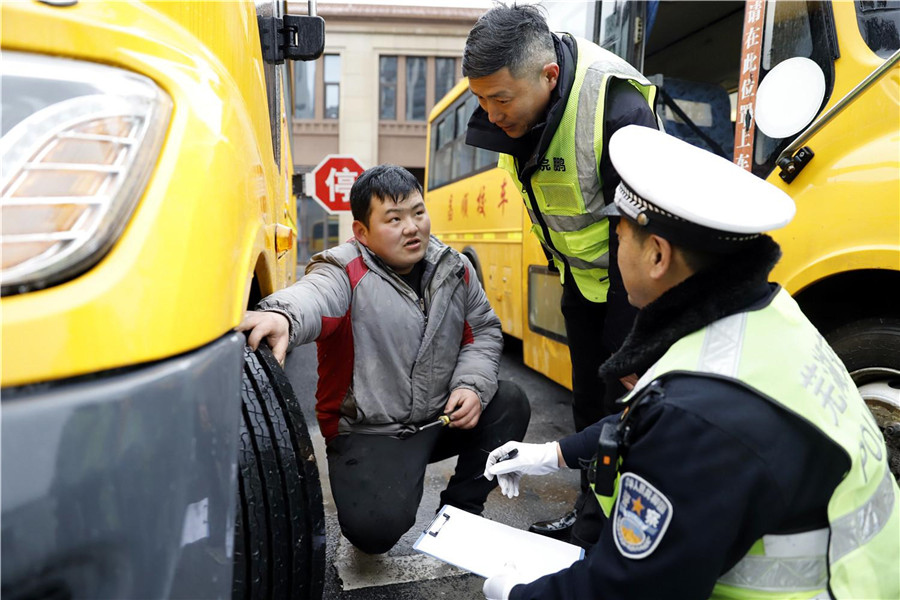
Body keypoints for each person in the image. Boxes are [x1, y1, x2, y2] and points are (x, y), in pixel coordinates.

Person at [480, 125, 900, 600]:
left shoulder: (696, 412)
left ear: (657, 255)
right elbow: (657, 425)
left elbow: (627, 592)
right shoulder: (767, 316)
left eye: (619, 236)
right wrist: (553, 454)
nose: (616, 251)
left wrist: (515, 593)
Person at [239, 164, 530, 555]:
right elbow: (314, 296)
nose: (412, 227)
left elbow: (484, 332)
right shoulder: (343, 269)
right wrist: (282, 315)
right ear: (362, 232)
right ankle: (388, 484)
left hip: (440, 418)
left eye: (417, 212)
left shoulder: (454, 269)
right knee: (373, 533)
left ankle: (461, 514)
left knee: (510, 401)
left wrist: (471, 387)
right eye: (394, 219)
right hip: (370, 433)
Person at [463, 3, 658, 544]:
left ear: (549, 76)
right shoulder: (515, 113)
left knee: (626, 410)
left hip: (633, 291)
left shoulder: (615, 110)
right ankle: (590, 513)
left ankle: (624, 533)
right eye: (481, 100)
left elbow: (643, 236)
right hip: (580, 283)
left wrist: (634, 342)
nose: (491, 115)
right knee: (588, 406)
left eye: (501, 99)